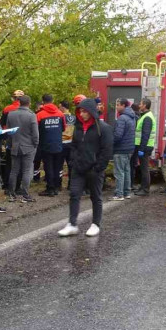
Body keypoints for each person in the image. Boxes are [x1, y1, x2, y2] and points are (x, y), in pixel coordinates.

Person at [58, 98, 113, 237]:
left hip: (94, 170)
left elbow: (106, 151)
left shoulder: (103, 128)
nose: (81, 114)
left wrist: (98, 168)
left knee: (96, 197)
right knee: (74, 194)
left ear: (91, 112)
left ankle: (95, 224)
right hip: (78, 168)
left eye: (84, 111)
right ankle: (72, 224)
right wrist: (73, 161)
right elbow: (74, 146)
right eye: (80, 111)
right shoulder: (78, 127)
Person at [6, 95, 40, 202]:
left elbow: (9, 132)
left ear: (19, 102)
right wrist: (35, 144)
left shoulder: (11, 114)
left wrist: (10, 144)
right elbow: (35, 133)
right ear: (29, 103)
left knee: (14, 170)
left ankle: (11, 194)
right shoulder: (31, 115)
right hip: (29, 146)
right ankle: (25, 195)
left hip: (15, 145)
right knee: (26, 170)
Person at [36, 94, 66, 196]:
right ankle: (57, 187)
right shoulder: (60, 113)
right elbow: (63, 128)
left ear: (43, 101)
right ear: (53, 100)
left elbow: (36, 130)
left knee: (48, 167)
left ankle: (50, 189)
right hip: (58, 144)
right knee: (57, 166)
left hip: (45, 144)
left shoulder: (40, 115)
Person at [111, 98, 136, 200]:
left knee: (119, 172)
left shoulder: (122, 118)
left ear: (123, 106)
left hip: (121, 149)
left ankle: (119, 194)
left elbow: (118, 135)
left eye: (118, 105)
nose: (116, 107)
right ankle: (127, 192)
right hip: (130, 148)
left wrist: (110, 142)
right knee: (126, 171)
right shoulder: (132, 117)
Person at [1, 89, 24, 193]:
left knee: (9, 164)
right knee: (20, 164)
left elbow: (3, 125)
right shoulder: (27, 110)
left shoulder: (7, 109)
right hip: (23, 140)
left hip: (10, 139)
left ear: (13, 98)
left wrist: (4, 138)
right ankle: (18, 187)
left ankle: (7, 186)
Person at [132, 98, 156, 196]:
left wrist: (141, 149)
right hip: (144, 146)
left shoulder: (147, 118)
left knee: (144, 169)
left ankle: (145, 190)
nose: (139, 105)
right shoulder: (145, 116)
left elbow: (145, 135)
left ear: (145, 105)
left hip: (145, 147)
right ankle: (142, 187)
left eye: (140, 104)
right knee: (143, 168)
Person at [61, 99, 78, 190]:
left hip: (62, 142)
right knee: (71, 165)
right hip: (71, 143)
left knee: (59, 165)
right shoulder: (74, 117)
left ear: (63, 107)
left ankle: (58, 185)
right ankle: (70, 184)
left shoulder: (60, 117)